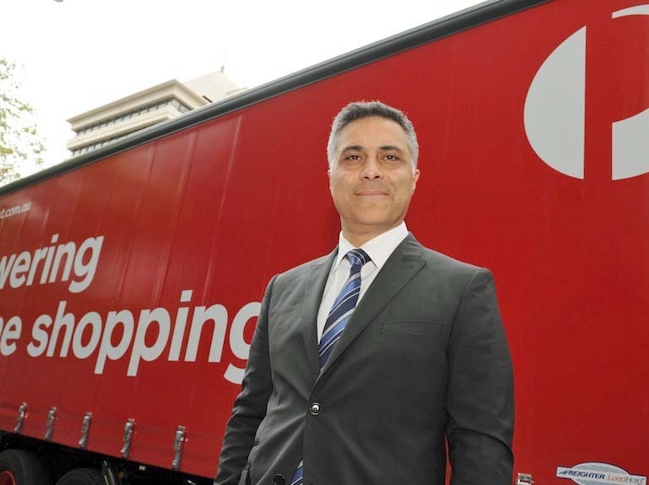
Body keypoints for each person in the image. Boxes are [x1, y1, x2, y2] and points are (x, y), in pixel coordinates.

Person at [215, 101, 514, 485]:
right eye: (353, 157)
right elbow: (250, 412)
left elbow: (481, 443)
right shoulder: (283, 288)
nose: (371, 171)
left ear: (414, 176)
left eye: (390, 157)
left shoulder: (463, 289)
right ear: (331, 175)